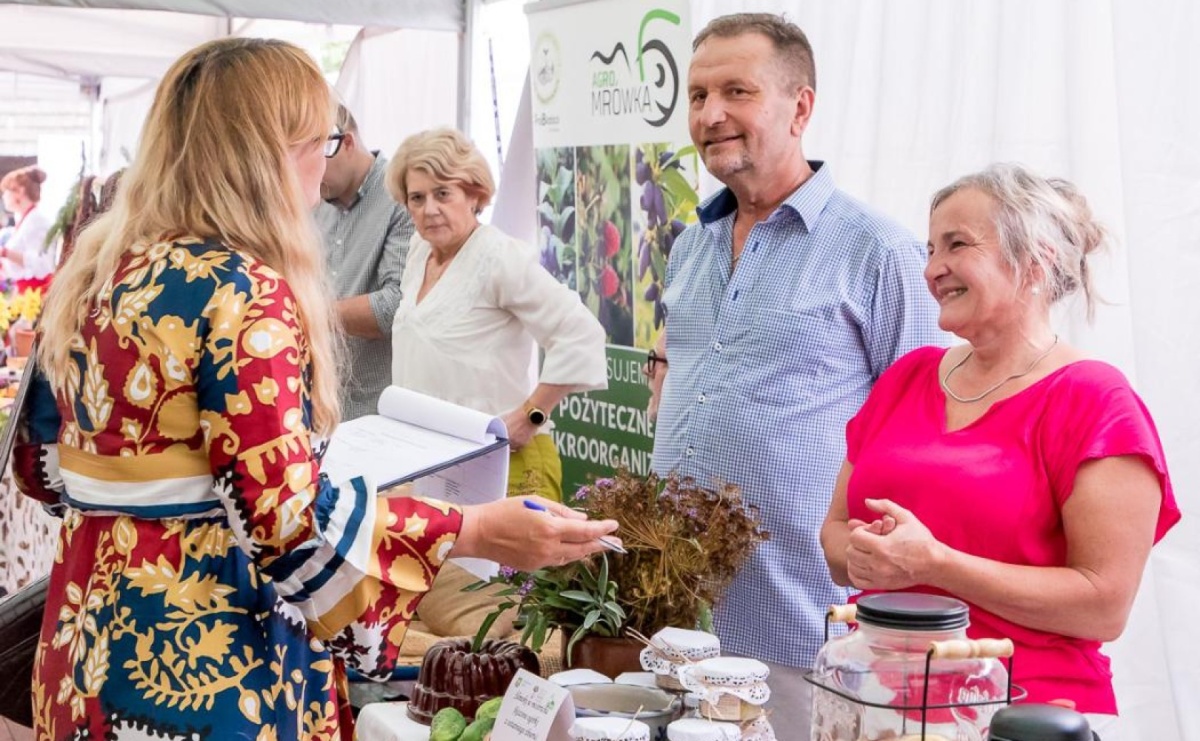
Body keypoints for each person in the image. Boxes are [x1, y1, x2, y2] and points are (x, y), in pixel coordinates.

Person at [14, 38, 618, 741]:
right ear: (269, 155)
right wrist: (474, 529)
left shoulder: (99, 275)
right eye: (318, 142)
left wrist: (150, 500)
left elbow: (39, 466)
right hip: (204, 660)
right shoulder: (242, 291)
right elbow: (285, 523)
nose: (323, 163)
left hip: (88, 636)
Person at [649, 13, 945, 734]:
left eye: (737, 91)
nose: (710, 115)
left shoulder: (878, 252)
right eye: (697, 96)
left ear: (800, 107)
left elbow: (919, 442)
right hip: (676, 619)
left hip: (804, 630)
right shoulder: (690, 245)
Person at [821, 164, 1179, 737]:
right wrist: (866, 556)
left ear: (1034, 261)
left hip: (1020, 713)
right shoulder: (907, 377)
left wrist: (936, 565)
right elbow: (836, 533)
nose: (932, 268)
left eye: (956, 245)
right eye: (931, 248)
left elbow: (1103, 605)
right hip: (878, 701)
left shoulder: (1095, 401)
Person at [385, 128, 606, 502]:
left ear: (474, 194)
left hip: (504, 463)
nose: (429, 210)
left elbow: (580, 334)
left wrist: (530, 416)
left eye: (443, 193)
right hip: (435, 462)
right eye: (417, 198)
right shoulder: (419, 253)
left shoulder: (499, 257)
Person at [315, 103, 414, 419]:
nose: (309, 171)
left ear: (345, 143)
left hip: (379, 411)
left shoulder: (403, 195)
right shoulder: (317, 201)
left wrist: (307, 313)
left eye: (314, 155)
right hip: (325, 406)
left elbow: (396, 307)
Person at [0, 165, 55, 292]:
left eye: (7, 191)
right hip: (24, 292)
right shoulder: (25, 220)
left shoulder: (36, 221)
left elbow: (43, 264)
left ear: (20, 191)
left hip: (35, 294)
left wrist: (5, 253)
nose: (4, 196)